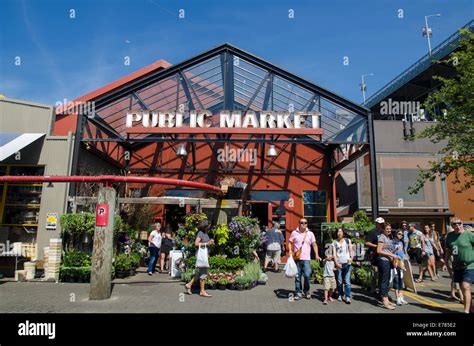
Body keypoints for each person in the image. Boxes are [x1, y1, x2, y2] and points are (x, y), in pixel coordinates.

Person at [444, 218, 473, 314]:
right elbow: (448, 250)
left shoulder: (469, 235)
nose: (457, 226)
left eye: (459, 223)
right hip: (457, 266)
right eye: (454, 224)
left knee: (465, 286)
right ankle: (471, 308)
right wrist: (446, 261)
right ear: (452, 226)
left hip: (470, 264)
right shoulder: (450, 236)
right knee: (463, 288)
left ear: (462, 224)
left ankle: (466, 311)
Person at [288, 218, 321, 301]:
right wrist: (290, 251)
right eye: (302, 222)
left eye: (305, 222)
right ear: (299, 223)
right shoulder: (294, 233)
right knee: (298, 276)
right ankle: (298, 292)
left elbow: (314, 245)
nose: (304, 224)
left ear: (307, 224)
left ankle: (306, 291)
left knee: (307, 275)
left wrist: (317, 255)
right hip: (297, 259)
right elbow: (289, 242)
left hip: (306, 259)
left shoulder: (310, 234)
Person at [184, 219, 215, 298]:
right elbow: (196, 243)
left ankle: (189, 285)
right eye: (209, 225)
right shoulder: (200, 233)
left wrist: (210, 242)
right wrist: (207, 243)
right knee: (203, 273)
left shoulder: (205, 233)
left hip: (205, 255)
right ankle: (202, 291)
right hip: (201, 255)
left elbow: (205, 243)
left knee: (200, 272)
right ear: (205, 225)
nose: (210, 226)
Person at [377, 223, 399, 310]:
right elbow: (379, 250)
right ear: (383, 229)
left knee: (387, 281)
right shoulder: (382, 237)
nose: (389, 230)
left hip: (388, 261)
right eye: (387, 229)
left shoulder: (388, 238)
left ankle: (386, 299)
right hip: (383, 261)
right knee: (384, 281)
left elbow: (388, 251)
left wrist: (394, 252)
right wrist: (392, 255)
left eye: (390, 229)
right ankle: (384, 300)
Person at [332, 227, 354, 304]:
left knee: (347, 281)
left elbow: (351, 251)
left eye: (341, 231)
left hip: (347, 264)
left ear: (343, 233)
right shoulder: (334, 242)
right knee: (339, 281)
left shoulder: (348, 241)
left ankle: (347, 296)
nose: (339, 233)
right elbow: (334, 254)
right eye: (338, 231)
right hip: (339, 264)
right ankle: (340, 294)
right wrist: (336, 263)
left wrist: (351, 258)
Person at [365, 217, 385, 293]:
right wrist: (376, 246)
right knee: (375, 273)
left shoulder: (384, 232)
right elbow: (367, 243)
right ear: (376, 224)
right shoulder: (372, 232)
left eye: (382, 224)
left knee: (382, 273)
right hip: (375, 256)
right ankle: (373, 288)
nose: (381, 225)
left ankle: (380, 288)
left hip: (383, 256)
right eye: (380, 224)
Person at [392, 230, 408, 305]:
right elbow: (389, 252)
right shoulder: (392, 242)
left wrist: (404, 262)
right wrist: (395, 249)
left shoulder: (401, 243)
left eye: (401, 234)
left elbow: (402, 254)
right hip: (395, 262)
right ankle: (397, 298)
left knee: (401, 280)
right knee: (396, 280)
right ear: (396, 234)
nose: (401, 235)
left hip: (401, 262)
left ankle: (401, 297)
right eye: (399, 234)